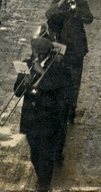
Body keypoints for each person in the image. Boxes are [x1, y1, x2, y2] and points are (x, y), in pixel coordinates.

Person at [19, 38, 72, 191]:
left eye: (39, 54)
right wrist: (24, 82)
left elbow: (60, 89)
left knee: (46, 155)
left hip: (49, 117)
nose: (36, 56)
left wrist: (41, 72)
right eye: (34, 52)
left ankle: (44, 185)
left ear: (47, 53)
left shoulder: (58, 67)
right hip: (30, 117)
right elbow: (17, 92)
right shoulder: (27, 64)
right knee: (34, 155)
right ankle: (42, 179)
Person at [45, 0, 93, 123]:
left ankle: (72, 106)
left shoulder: (82, 3)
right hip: (61, 47)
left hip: (77, 48)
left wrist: (76, 9)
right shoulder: (57, 0)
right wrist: (61, 3)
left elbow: (89, 19)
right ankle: (61, 106)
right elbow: (48, 14)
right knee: (60, 77)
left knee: (75, 79)